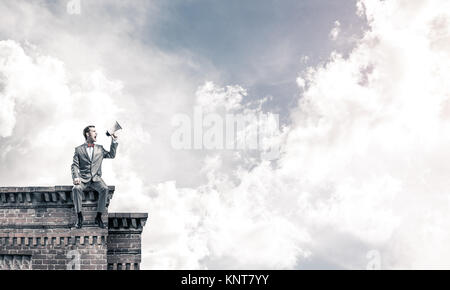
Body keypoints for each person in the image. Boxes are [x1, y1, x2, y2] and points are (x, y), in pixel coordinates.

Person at [71, 125, 118, 229]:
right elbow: (74, 165)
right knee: (76, 189)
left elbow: (111, 155)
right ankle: (79, 216)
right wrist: (76, 177)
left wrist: (114, 140)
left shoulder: (100, 149)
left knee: (105, 189)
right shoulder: (78, 150)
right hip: (83, 178)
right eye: (94, 131)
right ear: (87, 134)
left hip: (96, 178)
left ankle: (99, 216)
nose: (96, 133)